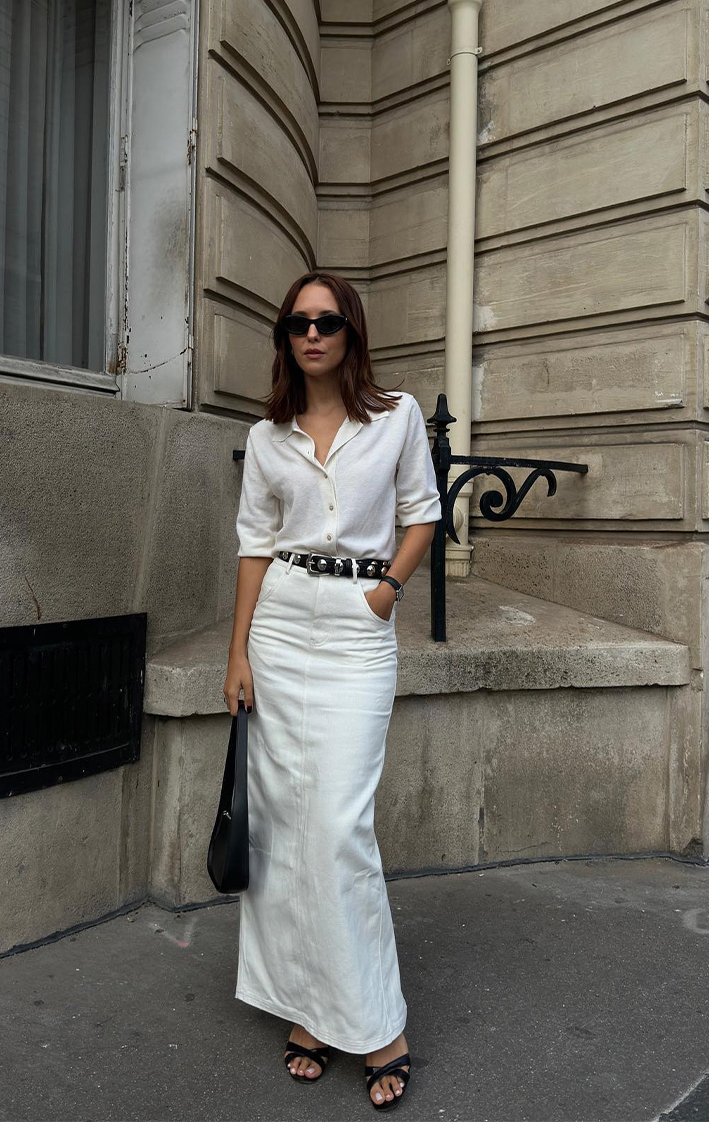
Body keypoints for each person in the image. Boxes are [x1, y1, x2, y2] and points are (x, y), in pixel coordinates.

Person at [223, 270, 441, 1112]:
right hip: (279, 626)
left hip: (355, 624)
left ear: (351, 331)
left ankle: (380, 1026)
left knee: (339, 827)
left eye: (326, 321)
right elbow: (252, 545)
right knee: (284, 824)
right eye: (296, 324)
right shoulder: (268, 436)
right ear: (284, 338)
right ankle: (307, 1010)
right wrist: (237, 653)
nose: (311, 334)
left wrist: (385, 590)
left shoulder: (398, 418)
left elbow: (422, 512)